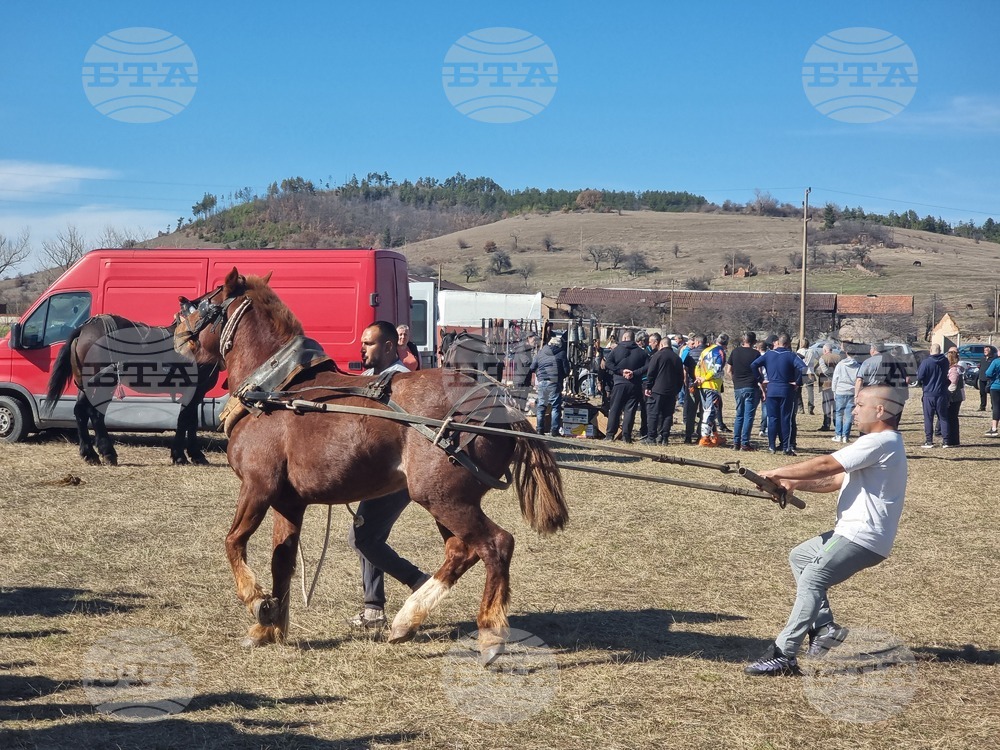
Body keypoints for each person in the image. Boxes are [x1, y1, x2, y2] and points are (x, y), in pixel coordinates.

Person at [744, 384, 908, 676]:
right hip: (855, 534)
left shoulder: (880, 441)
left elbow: (825, 465)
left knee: (812, 579)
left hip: (861, 536)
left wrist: (778, 472)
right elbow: (832, 480)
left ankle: (783, 655)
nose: (853, 410)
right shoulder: (880, 444)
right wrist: (792, 484)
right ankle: (824, 628)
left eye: (859, 405)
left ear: (880, 410)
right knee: (801, 557)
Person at [347, 321, 431, 630]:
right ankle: (373, 609)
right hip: (374, 471)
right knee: (368, 536)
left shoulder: (402, 381)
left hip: (397, 473)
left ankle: (418, 581)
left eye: (368, 343)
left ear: (387, 347)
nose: (362, 348)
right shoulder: (368, 378)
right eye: (362, 342)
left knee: (363, 537)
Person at [752, 334, 807, 456]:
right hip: (786, 389)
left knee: (772, 419)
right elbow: (803, 367)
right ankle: (786, 447)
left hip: (771, 389)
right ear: (788, 344)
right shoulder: (791, 355)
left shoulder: (769, 354)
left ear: (777, 343)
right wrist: (797, 382)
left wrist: (760, 379)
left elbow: (754, 365)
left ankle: (771, 446)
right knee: (786, 419)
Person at [637, 336, 684, 445]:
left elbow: (651, 373)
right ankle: (664, 437)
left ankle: (651, 437)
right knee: (668, 414)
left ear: (661, 345)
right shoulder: (677, 358)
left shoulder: (657, 356)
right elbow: (680, 377)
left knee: (653, 413)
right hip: (671, 391)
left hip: (657, 390)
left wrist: (648, 387)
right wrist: (677, 390)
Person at [603, 330, 649, 443]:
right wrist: (635, 373)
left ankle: (610, 435)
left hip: (619, 383)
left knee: (615, 409)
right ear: (633, 339)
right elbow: (648, 366)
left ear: (624, 338)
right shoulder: (641, 352)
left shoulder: (616, 350)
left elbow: (608, 364)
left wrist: (620, 371)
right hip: (634, 385)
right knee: (630, 410)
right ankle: (626, 436)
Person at [726, 332, 761, 452]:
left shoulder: (735, 352)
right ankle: (745, 443)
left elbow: (729, 370)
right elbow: (759, 371)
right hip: (751, 386)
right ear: (754, 342)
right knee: (748, 416)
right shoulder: (756, 354)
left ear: (743, 340)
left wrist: (735, 380)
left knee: (739, 415)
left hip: (738, 387)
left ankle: (736, 442)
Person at [530, 335, 570, 436]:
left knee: (541, 406)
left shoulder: (541, 353)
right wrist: (560, 376)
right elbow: (566, 371)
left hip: (542, 382)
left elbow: (532, 367)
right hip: (554, 382)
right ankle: (554, 431)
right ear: (559, 345)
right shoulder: (561, 353)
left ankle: (539, 429)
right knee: (555, 407)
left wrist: (540, 375)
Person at [694, 333, 728, 446]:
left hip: (702, 385)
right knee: (710, 412)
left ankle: (715, 435)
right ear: (726, 344)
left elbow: (698, 366)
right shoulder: (721, 352)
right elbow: (717, 369)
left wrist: (698, 378)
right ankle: (705, 438)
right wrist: (704, 378)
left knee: (709, 410)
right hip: (712, 385)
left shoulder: (706, 350)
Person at [916, 343, 950, 448]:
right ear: (940, 351)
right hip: (942, 393)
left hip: (928, 393)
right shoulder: (945, 361)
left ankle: (929, 441)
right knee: (943, 417)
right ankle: (946, 441)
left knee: (928, 417)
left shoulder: (926, 362)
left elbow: (920, 376)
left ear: (931, 350)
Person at [830, 349, 861, 443]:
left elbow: (835, 378)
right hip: (851, 392)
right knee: (849, 416)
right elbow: (859, 380)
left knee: (839, 413)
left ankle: (838, 435)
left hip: (840, 390)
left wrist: (834, 390)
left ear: (847, 353)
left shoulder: (840, 364)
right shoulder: (858, 366)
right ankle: (845, 436)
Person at [817, 344, 841, 431]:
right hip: (837, 385)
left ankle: (826, 424)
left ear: (824, 350)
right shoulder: (839, 357)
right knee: (835, 405)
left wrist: (831, 377)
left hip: (826, 385)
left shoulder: (822, 358)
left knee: (826, 405)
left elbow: (825, 370)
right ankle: (836, 424)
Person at [945, 349, 965, 447]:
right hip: (957, 397)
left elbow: (953, 384)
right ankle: (954, 440)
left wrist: (947, 394)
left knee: (951, 418)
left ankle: (951, 440)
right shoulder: (957, 368)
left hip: (953, 397)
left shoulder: (953, 369)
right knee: (953, 418)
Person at [984, 352, 1000, 437]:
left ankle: (994, 428)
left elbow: (988, 373)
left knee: (996, 407)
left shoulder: (996, 362)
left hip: (996, 386)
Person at [977, 346, 996, 411]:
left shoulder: (994, 359)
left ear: (990, 351)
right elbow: (980, 367)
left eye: (986, 350)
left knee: (991, 393)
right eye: (984, 350)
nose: (985, 351)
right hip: (982, 378)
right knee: (982, 393)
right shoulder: (982, 358)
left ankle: (993, 407)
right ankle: (982, 406)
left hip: (990, 379)